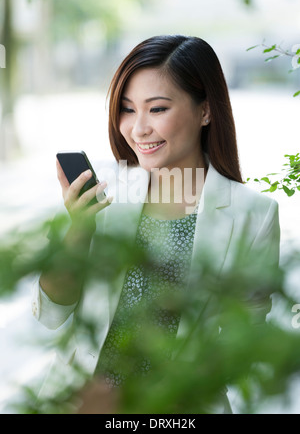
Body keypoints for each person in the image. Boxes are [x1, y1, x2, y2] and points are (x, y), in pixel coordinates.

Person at [32, 35, 280, 413]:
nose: (138, 129)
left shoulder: (253, 214)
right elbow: (51, 315)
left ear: (205, 112)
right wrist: (78, 229)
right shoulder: (105, 194)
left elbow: (245, 342)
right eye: (128, 110)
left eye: (157, 109)